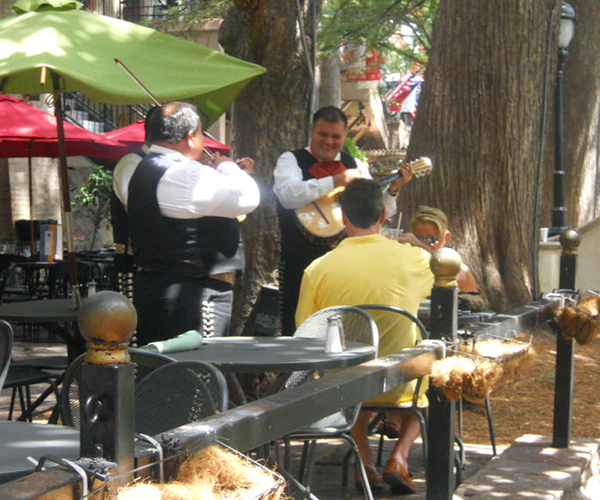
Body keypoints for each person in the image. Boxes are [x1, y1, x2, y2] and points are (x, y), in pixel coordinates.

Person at [295, 179, 434, 493]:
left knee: (348, 369)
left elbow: (306, 332)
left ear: (343, 217)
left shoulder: (318, 268)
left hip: (345, 391)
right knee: (428, 362)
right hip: (402, 386)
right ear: (383, 215)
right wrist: (422, 245)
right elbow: (456, 270)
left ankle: (364, 461)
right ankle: (399, 457)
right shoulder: (412, 258)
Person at [127, 102, 259, 345]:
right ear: (190, 138)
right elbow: (248, 198)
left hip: (155, 289)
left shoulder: (145, 167)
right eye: (201, 133)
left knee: (160, 374)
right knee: (198, 376)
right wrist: (227, 167)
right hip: (193, 297)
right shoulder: (185, 174)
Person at [273, 105, 413, 335]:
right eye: (323, 134)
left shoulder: (356, 165)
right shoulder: (291, 160)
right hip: (300, 263)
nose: (329, 141)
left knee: (348, 329)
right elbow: (288, 196)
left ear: (345, 136)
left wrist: (393, 190)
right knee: (298, 329)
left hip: (347, 267)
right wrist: (335, 180)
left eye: (336, 136)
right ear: (311, 131)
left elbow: (373, 213)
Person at [111, 107, 157, 298]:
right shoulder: (132, 163)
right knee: (132, 322)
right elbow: (139, 209)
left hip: (159, 266)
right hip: (134, 264)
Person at [405, 206, 479, 293]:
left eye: (432, 239)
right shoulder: (406, 264)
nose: (424, 244)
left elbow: (472, 303)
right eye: (418, 238)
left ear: (446, 237)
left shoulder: (459, 271)